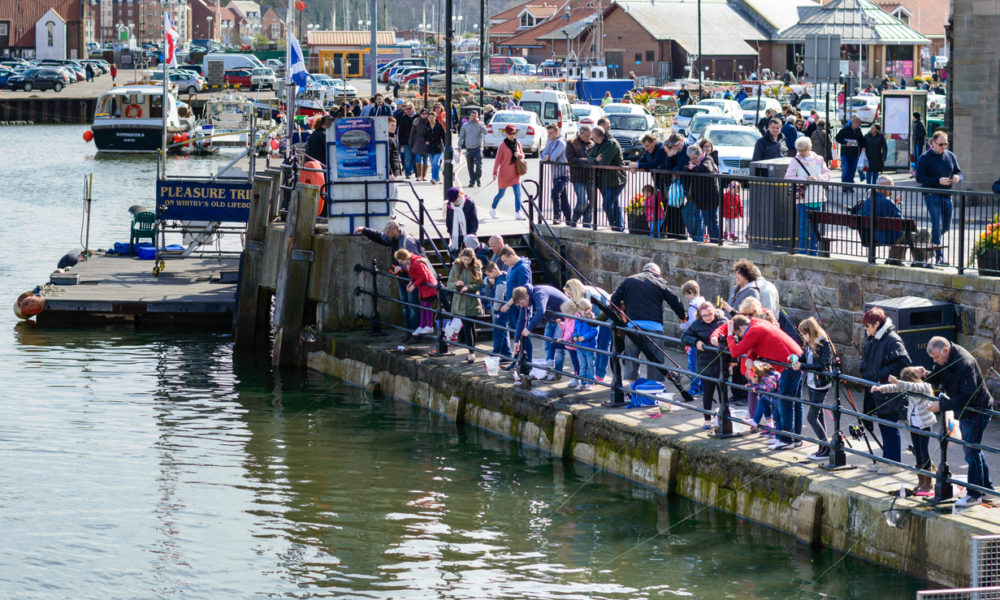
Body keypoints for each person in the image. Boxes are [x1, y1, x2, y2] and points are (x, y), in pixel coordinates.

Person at [921, 337, 995, 507]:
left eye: (936, 357)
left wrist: (941, 405)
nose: (935, 361)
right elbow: (939, 376)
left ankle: (974, 494)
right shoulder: (945, 358)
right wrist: (925, 375)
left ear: (946, 350)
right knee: (974, 449)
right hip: (968, 410)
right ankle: (986, 487)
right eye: (933, 358)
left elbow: (966, 396)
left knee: (971, 451)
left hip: (977, 410)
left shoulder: (964, 363)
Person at [727, 313, 803, 450]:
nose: (742, 337)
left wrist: (729, 335)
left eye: (738, 334)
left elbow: (735, 352)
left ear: (742, 327)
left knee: (785, 402)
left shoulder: (753, 330)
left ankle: (786, 440)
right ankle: (796, 438)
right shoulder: (757, 323)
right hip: (794, 359)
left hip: (789, 365)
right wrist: (750, 355)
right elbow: (756, 344)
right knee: (795, 402)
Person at [609, 263, 686, 382]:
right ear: (655, 271)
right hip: (654, 327)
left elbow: (613, 302)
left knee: (632, 359)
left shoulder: (629, 280)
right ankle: (654, 391)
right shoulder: (659, 281)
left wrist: (624, 309)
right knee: (656, 360)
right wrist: (683, 316)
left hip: (632, 326)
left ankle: (633, 390)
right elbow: (674, 300)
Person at [859, 307, 911, 470]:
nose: (866, 330)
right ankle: (886, 459)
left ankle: (894, 463)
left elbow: (903, 362)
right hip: (877, 389)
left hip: (888, 390)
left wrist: (878, 374)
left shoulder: (892, 339)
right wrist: (865, 370)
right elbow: (866, 360)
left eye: (868, 326)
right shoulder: (873, 338)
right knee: (883, 424)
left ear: (876, 324)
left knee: (889, 424)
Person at [871, 367, 937, 493]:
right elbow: (896, 388)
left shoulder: (924, 387)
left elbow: (911, 387)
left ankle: (928, 482)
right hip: (914, 423)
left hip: (924, 424)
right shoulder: (908, 386)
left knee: (924, 450)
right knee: (917, 451)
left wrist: (898, 382)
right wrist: (881, 388)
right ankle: (921, 480)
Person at [353, 220, 423, 331]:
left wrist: (402, 267)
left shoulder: (408, 242)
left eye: (388, 232)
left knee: (412, 306)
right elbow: (379, 236)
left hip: (411, 279)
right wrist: (364, 230)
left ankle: (415, 332)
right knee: (405, 306)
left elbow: (418, 262)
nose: (387, 234)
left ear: (395, 230)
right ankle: (409, 331)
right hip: (401, 277)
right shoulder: (392, 238)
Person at [915, 130, 962, 265]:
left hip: (947, 196)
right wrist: (937, 181)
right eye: (941, 144)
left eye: (945, 144)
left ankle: (929, 243)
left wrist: (958, 177)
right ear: (932, 143)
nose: (944, 147)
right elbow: (919, 177)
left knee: (946, 227)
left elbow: (959, 171)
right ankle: (939, 256)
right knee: (937, 224)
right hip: (932, 195)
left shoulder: (950, 156)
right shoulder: (925, 158)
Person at [791, 317, 835, 460]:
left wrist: (802, 366)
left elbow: (822, 365)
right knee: (818, 415)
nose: (802, 337)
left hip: (820, 385)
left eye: (803, 334)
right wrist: (796, 359)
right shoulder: (810, 343)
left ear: (810, 332)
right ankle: (822, 448)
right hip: (811, 383)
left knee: (811, 417)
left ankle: (826, 448)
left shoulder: (824, 343)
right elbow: (805, 357)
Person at [681, 302, 728, 429]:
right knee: (707, 392)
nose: (708, 317)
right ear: (700, 316)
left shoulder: (722, 321)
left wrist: (733, 360)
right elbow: (684, 337)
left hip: (721, 362)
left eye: (711, 314)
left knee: (723, 392)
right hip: (705, 363)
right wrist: (695, 342)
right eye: (705, 315)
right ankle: (707, 420)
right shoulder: (696, 324)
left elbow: (732, 339)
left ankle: (724, 418)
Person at [511, 284, 572, 376]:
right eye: (519, 304)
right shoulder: (525, 299)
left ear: (527, 297)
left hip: (564, 319)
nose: (521, 305)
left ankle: (556, 374)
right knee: (547, 345)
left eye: (521, 303)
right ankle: (550, 371)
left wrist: (529, 329)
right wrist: (517, 340)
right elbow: (521, 319)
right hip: (552, 318)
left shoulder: (539, 293)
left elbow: (540, 311)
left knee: (557, 346)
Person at [784, 136, 831, 256]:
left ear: (810, 148)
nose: (800, 153)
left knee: (816, 229)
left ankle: (814, 252)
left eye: (802, 150)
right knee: (803, 228)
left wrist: (818, 178)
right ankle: (802, 252)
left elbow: (827, 173)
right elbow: (788, 177)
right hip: (803, 199)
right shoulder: (795, 161)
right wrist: (805, 179)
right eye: (798, 150)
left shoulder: (819, 159)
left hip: (818, 197)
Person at [563, 278, 613, 382]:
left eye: (570, 293)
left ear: (575, 290)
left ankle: (600, 374)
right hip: (597, 318)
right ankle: (594, 374)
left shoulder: (589, 295)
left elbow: (595, 315)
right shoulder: (581, 296)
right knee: (597, 346)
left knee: (603, 346)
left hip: (607, 317)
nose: (569, 296)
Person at [446, 248, 485, 363]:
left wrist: (468, 287)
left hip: (472, 301)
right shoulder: (456, 266)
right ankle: (471, 353)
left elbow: (479, 284)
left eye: (468, 260)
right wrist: (456, 284)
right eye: (464, 259)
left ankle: (471, 351)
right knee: (467, 327)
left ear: (472, 259)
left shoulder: (477, 267)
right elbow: (449, 284)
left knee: (472, 327)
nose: (466, 262)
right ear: (461, 258)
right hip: (460, 302)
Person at [588, 126, 627, 232]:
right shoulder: (597, 144)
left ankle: (614, 225)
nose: (591, 138)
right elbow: (589, 158)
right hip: (604, 180)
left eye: (592, 136)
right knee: (614, 203)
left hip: (616, 179)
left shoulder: (611, 144)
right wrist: (595, 159)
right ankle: (619, 226)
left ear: (597, 136)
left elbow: (604, 162)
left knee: (607, 204)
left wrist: (596, 160)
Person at [497, 246, 532, 365]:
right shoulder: (513, 267)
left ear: (511, 256)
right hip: (514, 306)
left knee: (523, 334)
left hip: (519, 306)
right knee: (516, 333)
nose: (505, 263)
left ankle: (527, 362)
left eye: (506, 261)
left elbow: (523, 290)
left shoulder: (522, 268)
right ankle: (516, 359)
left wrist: (508, 304)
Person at [394, 248, 438, 336]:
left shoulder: (417, 263)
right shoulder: (407, 265)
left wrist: (414, 285)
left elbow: (424, 276)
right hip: (423, 288)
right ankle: (422, 326)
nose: (400, 263)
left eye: (401, 261)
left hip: (429, 286)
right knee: (423, 306)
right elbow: (414, 275)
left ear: (405, 258)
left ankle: (429, 326)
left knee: (427, 306)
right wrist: (411, 282)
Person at [685, 144, 721, 242]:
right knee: (707, 220)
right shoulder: (695, 163)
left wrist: (694, 168)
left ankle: (716, 242)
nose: (693, 160)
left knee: (711, 221)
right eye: (691, 158)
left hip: (710, 197)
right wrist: (691, 167)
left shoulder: (708, 159)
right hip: (702, 198)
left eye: (695, 158)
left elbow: (707, 170)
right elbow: (685, 167)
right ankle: (713, 241)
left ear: (700, 154)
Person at [490, 125, 526, 220]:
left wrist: (519, 155)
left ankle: (518, 212)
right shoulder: (502, 145)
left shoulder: (517, 143)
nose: (512, 135)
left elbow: (523, 155)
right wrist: (494, 172)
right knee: (501, 194)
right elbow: (497, 159)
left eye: (514, 133)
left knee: (518, 193)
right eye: (510, 133)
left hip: (515, 173)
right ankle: (492, 209)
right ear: (506, 133)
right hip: (504, 174)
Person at [634, 133, 668, 229]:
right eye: (644, 146)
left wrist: (637, 166)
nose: (646, 148)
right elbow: (642, 160)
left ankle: (667, 230)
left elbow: (654, 164)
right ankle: (662, 229)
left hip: (665, 181)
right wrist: (635, 164)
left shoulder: (661, 149)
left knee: (667, 204)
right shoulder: (648, 151)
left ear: (654, 142)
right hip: (658, 181)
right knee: (662, 204)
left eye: (648, 146)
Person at [679, 280, 706, 397]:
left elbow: (691, 323)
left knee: (693, 364)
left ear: (690, 292)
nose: (686, 298)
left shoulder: (692, 306)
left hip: (695, 338)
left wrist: (681, 326)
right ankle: (703, 387)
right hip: (704, 337)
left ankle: (695, 388)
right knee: (702, 364)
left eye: (686, 295)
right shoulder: (703, 302)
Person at [661, 134, 689, 239]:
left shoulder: (687, 149)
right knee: (675, 208)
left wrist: (674, 170)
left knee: (687, 212)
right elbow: (668, 166)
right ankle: (675, 233)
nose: (675, 147)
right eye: (673, 146)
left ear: (682, 141)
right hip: (677, 185)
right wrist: (669, 156)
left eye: (676, 145)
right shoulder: (675, 151)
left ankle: (682, 235)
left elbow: (679, 167)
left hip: (687, 184)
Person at [540, 124, 570, 223]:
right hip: (555, 174)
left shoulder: (560, 142)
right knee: (562, 196)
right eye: (548, 133)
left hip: (563, 174)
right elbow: (542, 154)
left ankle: (557, 217)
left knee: (555, 193)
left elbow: (552, 158)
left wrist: (547, 157)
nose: (549, 135)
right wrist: (546, 156)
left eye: (551, 133)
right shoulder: (550, 142)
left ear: (557, 132)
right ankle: (569, 219)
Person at [566, 125, 595, 227]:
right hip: (578, 177)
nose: (589, 138)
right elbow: (571, 159)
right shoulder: (571, 143)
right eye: (587, 136)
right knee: (583, 201)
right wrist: (588, 160)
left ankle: (587, 224)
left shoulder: (592, 143)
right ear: (581, 133)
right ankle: (574, 219)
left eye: (590, 136)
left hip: (591, 177)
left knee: (591, 203)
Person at [570, 299, 599, 390]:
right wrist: (574, 336)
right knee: (582, 365)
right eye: (584, 310)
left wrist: (584, 337)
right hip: (580, 346)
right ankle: (582, 382)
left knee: (590, 365)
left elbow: (594, 332)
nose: (586, 312)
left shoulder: (592, 319)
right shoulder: (578, 320)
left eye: (588, 309)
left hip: (589, 346)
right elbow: (575, 330)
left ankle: (591, 383)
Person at [484, 261, 510, 359]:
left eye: (490, 274)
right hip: (504, 308)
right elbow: (485, 280)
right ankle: (506, 353)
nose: (489, 277)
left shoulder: (500, 283)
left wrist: (495, 311)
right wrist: (488, 280)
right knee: (503, 331)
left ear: (494, 271)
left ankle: (497, 352)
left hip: (501, 309)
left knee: (498, 331)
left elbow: (498, 299)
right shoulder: (503, 275)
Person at [444, 187, 479, 252]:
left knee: (467, 254)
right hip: (455, 235)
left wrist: (472, 234)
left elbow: (474, 220)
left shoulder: (469, 203)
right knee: (455, 254)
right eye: (452, 201)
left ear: (459, 196)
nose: (453, 203)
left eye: (455, 200)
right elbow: (448, 218)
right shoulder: (449, 204)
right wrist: (449, 230)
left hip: (467, 233)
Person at [834, 117, 866, 188]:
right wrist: (845, 143)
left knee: (852, 170)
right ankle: (844, 186)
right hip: (845, 153)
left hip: (854, 154)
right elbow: (837, 138)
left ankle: (850, 186)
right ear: (854, 123)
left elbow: (862, 140)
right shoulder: (845, 130)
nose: (859, 125)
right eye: (859, 124)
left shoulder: (858, 131)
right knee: (845, 169)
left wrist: (863, 147)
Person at [749, 362, 779, 436]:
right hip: (772, 397)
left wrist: (758, 387)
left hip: (777, 398)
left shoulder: (768, 376)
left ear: (757, 376)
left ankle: (775, 429)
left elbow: (770, 387)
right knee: (763, 400)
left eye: (753, 379)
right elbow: (760, 384)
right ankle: (769, 425)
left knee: (775, 414)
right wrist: (753, 384)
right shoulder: (763, 376)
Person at [458, 109, 486, 187]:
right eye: (472, 116)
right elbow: (461, 136)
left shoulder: (480, 124)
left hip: (478, 148)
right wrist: (459, 145)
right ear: (470, 116)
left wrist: (479, 124)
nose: (474, 118)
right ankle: (472, 180)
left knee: (479, 164)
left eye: (475, 116)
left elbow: (486, 131)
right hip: (469, 148)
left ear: (478, 117)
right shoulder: (465, 125)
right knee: (470, 166)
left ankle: (477, 177)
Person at [424, 110, 446, 184]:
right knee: (433, 164)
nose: (431, 119)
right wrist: (425, 141)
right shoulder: (426, 126)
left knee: (435, 163)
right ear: (428, 119)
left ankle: (433, 178)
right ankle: (437, 178)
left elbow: (443, 136)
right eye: (429, 118)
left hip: (438, 147)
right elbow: (424, 136)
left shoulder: (439, 125)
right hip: (429, 148)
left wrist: (446, 145)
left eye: (432, 117)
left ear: (435, 118)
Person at [409, 108, 431, 181]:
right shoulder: (416, 121)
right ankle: (419, 175)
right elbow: (412, 133)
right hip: (418, 142)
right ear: (420, 114)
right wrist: (411, 143)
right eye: (422, 113)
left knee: (425, 160)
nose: (424, 115)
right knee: (418, 159)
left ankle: (424, 176)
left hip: (427, 142)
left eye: (425, 113)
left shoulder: (430, 121)